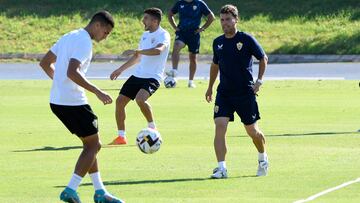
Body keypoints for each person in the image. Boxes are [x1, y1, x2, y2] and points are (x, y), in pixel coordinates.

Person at [39, 11, 124, 203]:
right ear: (98, 26)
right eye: (106, 32)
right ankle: (71, 188)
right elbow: (72, 71)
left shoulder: (69, 35)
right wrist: (97, 91)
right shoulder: (84, 42)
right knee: (94, 145)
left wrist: (59, 83)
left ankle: (100, 192)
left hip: (57, 101)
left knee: (90, 145)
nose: (105, 37)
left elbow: (45, 63)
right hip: (73, 101)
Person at [205, 5, 269, 179]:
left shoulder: (246, 39)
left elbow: (263, 58)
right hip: (224, 93)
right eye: (222, 20)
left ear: (236, 19)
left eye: (228, 19)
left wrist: (259, 81)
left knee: (252, 131)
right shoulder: (217, 42)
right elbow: (215, 65)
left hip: (244, 93)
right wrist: (210, 87)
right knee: (220, 126)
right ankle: (221, 168)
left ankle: (263, 158)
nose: (224, 23)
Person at [108, 8, 170, 145]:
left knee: (140, 99)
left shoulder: (163, 35)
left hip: (153, 76)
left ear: (155, 20)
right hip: (138, 75)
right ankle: (121, 137)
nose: (143, 20)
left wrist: (137, 50)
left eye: (146, 18)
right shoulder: (145, 35)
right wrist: (120, 69)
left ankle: (153, 129)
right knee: (120, 102)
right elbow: (137, 57)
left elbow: (158, 51)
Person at [166, 0, 215, 88]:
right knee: (177, 45)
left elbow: (211, 17)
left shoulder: (199, 3)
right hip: (182, 32)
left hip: (194, 34)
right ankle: (174, 71)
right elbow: (170, 14)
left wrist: (202, 28)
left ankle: (190, 81)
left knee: (193, 57)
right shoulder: (180, 3)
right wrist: (174, 27)